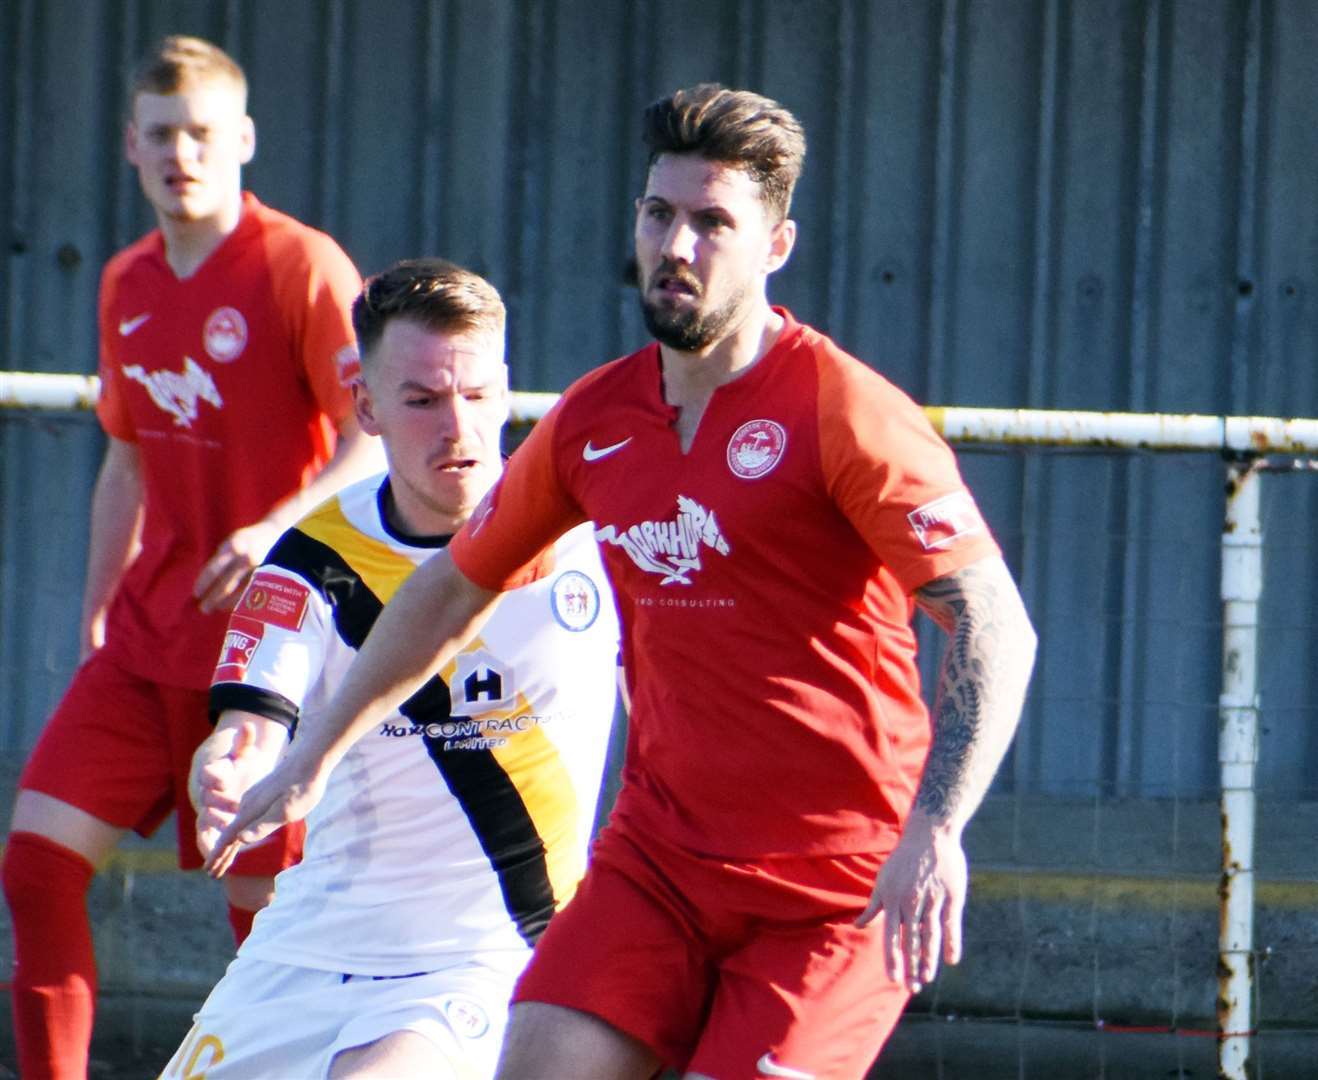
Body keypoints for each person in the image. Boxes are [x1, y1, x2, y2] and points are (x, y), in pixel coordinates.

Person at [210, 84, 1038, 1079]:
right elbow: (445, 590)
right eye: (660, 214)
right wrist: (311, 756)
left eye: (712, 223)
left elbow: (992, 622)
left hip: (834, 886)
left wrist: (937, 829)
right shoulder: (597, 419)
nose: (677, 246)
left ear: (775, 245)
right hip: (660, 868)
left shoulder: (844, 413)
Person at [0, 35, 383, 1080]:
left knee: (262, 919)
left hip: (263, 659)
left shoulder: (301, 266)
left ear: (243, 140)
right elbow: (123, 457)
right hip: (145, 641)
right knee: (34, 865)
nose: (183, 154)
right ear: (130, 144)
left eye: (203, 133)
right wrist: (92, 616)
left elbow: (370, 438)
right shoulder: (125, 281)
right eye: (162, 134)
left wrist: (274, 530)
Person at [159, 258, 620, 1079]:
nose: (459, 429)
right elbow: (250, 728)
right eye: (422, 401)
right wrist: (226, 771)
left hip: (485, 957)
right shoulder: (312, 558)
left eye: (476, 397)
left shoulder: (587, 543)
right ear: (366, 408)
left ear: (506, 390)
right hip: (305, 951)